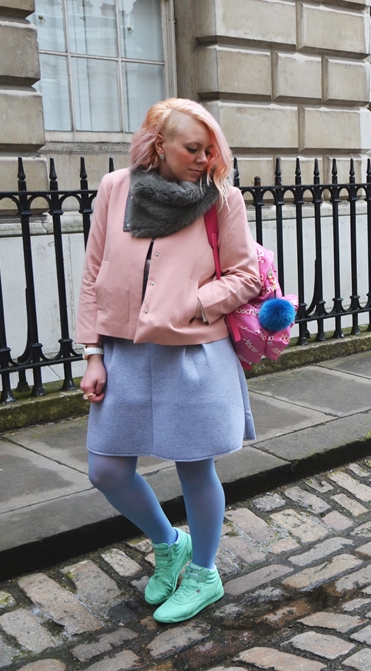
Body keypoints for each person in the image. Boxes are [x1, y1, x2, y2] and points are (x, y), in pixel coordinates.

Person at [77, 98, 260, 624]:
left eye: (211, 151)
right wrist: (92, 353)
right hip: (124, 351)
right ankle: (169, 544)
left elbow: (246, 275)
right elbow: (93, 274)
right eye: (193, 149)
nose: (205, 160)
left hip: (192, 353)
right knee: (106, 470)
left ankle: (204, 573)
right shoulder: (116, 188)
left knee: (194, 468)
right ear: (160, 144)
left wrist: (193, 304)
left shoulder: (222, 199)